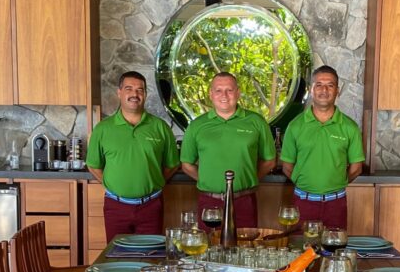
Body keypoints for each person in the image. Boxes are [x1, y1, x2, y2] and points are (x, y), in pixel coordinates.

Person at [86, 71, 180, 241]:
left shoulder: (160, 127)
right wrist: (112, 184)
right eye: (129, 89)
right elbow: (93, 165)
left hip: (151, 207)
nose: (134, 94)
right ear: (119, 92)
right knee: (116, 258)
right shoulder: (103, 129)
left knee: (149, 260)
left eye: (140, 90)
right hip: (116, 207)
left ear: (145, 94)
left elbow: (172, 164)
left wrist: (154, 180)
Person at [180, 72, 276, 229]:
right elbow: (186, 164)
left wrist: (249, 178)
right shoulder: (196, 126)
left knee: (245, 250)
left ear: (238, 93)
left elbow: (270, 160)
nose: (224, 95)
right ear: (211, 94)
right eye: (218, 90)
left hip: (244, 200)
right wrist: (208, 180)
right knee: (209, 250)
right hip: (209, 202)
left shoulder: (256, 122)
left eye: (229, 90)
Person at [280, 65, 365, 229]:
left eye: (330, 85)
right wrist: (307, 185)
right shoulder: (295, 126)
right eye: (319, 85)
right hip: (303, 204)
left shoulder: (350, 127)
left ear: (337, 91)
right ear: (311, 90)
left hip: (336, 205)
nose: (324, 90)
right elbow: (287, 166)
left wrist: (335, 183)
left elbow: (356, 168)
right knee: (302, 252)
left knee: (334, 250)